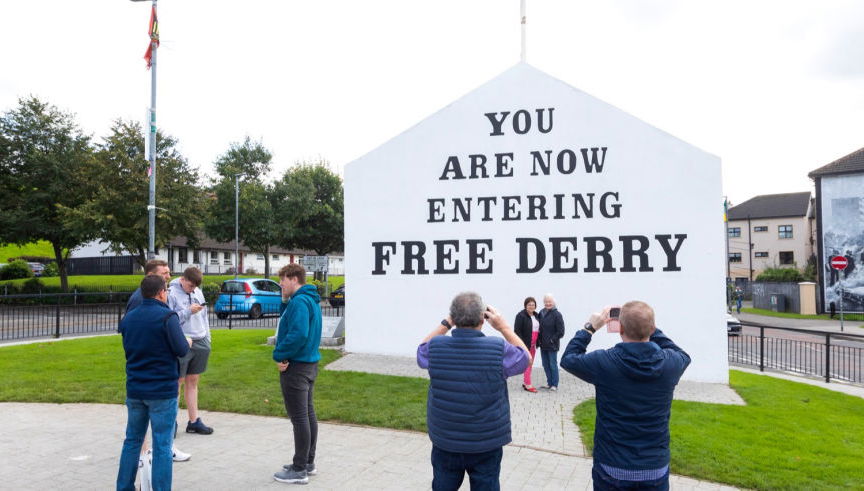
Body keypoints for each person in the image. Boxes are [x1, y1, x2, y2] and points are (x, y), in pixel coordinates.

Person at [560, 301, 691, 490]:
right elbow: (683, 354)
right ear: (652, 329)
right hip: (654, 468)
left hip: (612, 467)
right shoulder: (670, 364)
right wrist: (646, 326)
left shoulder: (604, 362)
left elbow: (569, 359)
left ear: (620, 328)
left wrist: (589, 328)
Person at [417, 292, 531, 490]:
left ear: (454, 318)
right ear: (483, 318)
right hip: (486, 443)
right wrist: (503, 326)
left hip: (446, 441)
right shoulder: (498, 348)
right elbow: (525, 357)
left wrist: (447, 322)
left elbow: (421, 350)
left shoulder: (436, 347)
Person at [120, 259, 191, 485]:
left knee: (132, 441)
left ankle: (124, 486)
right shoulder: (166, 317)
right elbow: (181, 350)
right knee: (162, 444)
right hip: (162, 389)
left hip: (136, 388)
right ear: (161, 293)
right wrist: (187, 341)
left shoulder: (129, 318)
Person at [272, 264, 323, 485]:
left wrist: (280, 354)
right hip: (309, 364)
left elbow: (298, 333)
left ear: (293, 278)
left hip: (297, 366)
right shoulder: (306, 299)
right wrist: (284, 300)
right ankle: (307, 462)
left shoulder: (301, 301)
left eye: (282, 280)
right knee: (308, 414)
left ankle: (299, 469)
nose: (280, 284)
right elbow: (288, 321)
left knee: (300, 418)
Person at [167, 266, 214, 435]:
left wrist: (207, 337)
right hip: (182, 341)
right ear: (183, 279)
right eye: (190, 286)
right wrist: (188, 311)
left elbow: (204, 316)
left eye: (195, 286)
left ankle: (194, 421)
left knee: (193, 380)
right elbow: (169, 319)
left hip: (201, 339)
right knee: (177, 382)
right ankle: (171, 424)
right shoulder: (171, 293)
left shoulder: (198, 292)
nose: (192, 289)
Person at [537, 294, 565, 391]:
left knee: (552, 364)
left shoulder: (557, 314)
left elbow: (561, 332)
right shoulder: (542, 312)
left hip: (552, 345)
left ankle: (554, 384)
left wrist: (552, 340)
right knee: (545, 364)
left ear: (553, 303)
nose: (548, 304)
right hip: (543, 344)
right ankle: (549, 383)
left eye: (550, 302)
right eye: (546, 302)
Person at [514, 296, 541, 392]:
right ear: (525, 305)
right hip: (525, 344)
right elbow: (517, 331)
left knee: (530, 363)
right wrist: (521, 344)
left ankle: (526, 382)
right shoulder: (520, 316)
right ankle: (528, 385)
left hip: (533, 345)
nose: (531, 306)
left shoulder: (537, 315)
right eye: (529, 304)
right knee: (527, 363)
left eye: (533, 305)